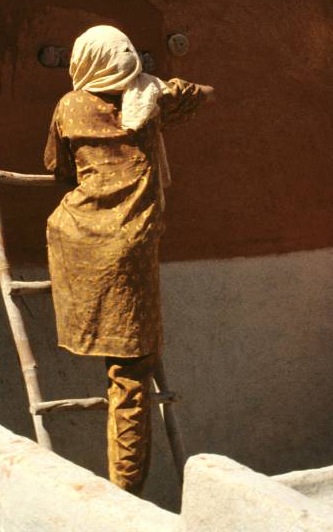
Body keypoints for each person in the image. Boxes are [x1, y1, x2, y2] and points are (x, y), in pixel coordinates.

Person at [44, 25, 213, 493]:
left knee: (117, 362)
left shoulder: (69, 106)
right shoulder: (151, 100)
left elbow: (56, 167)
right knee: (131, 374)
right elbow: (206, 93)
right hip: (128, 250)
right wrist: (155, 85)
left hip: (77, 240)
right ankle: (126, 494)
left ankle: (122, 491)